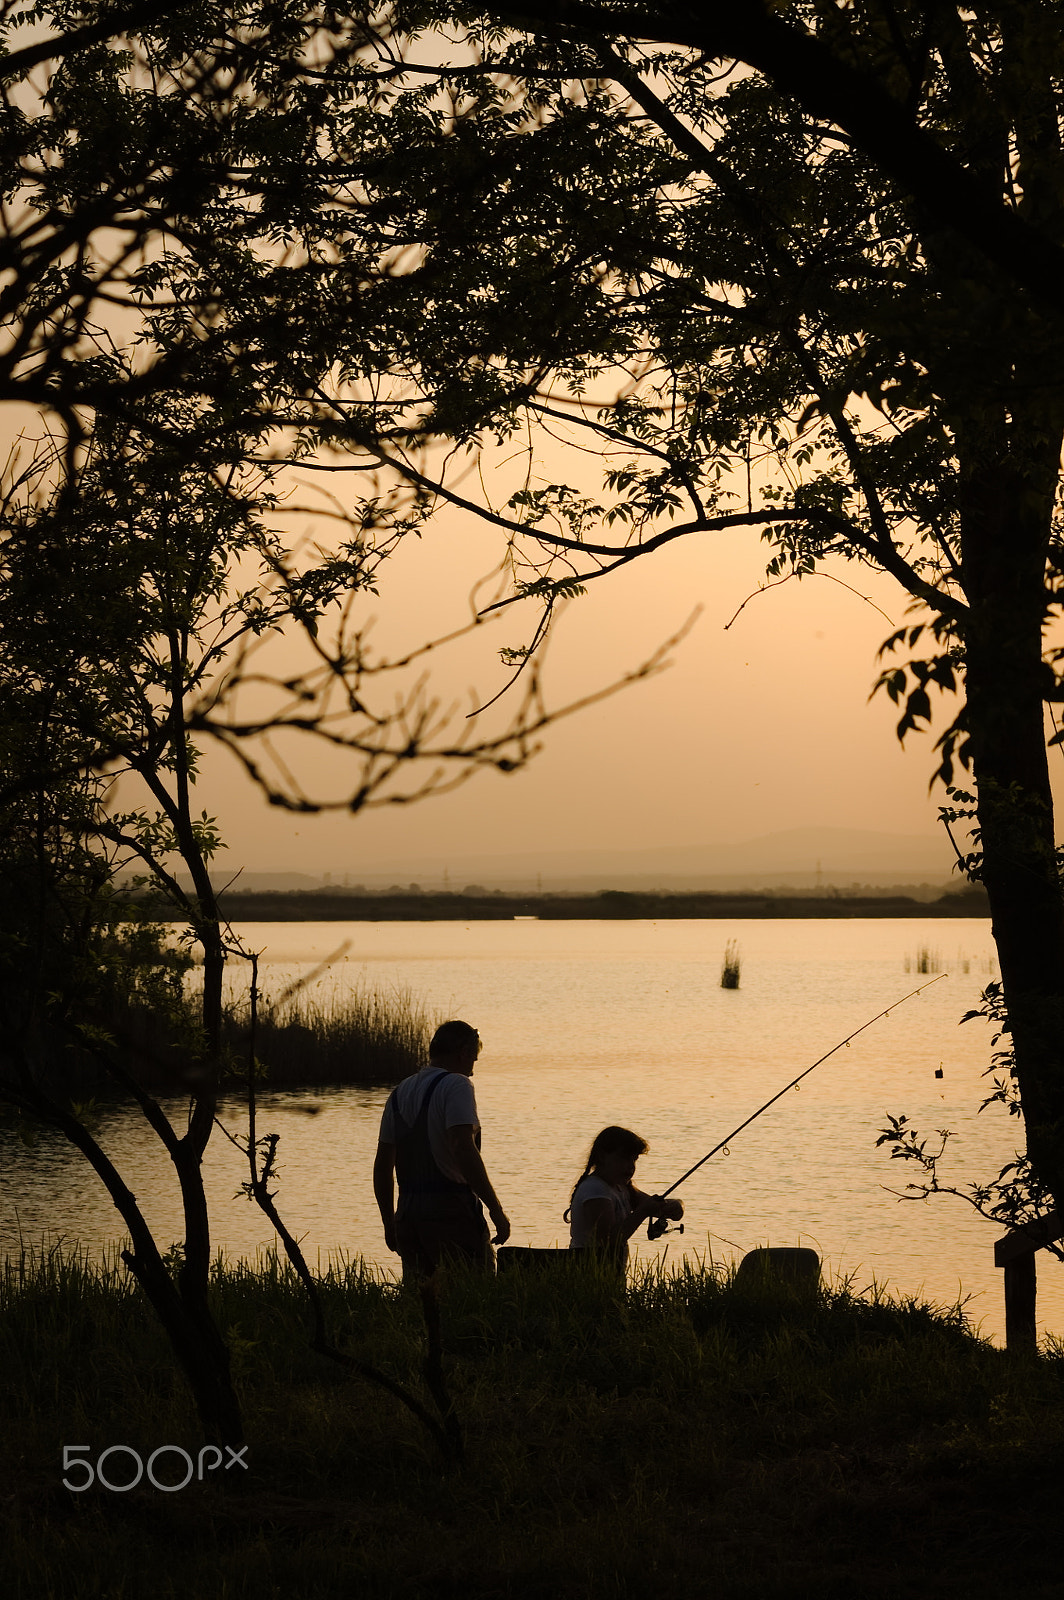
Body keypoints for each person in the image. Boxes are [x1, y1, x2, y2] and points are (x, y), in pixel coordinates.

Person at [373, 1019, 511, 1279]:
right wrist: (495, 1209)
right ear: (463, 1053)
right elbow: (462, 1147)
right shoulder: (457, 1085)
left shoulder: (399, 1092)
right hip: (451, 1211)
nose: (474, 1066)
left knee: (421, 1301)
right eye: (474, 1056)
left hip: (408, 1213)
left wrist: (389, 1222)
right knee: (473, 1295)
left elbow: (383, 1165)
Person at [566, 1126, 683, 1268]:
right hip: (587, 1272)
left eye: (634, 1160)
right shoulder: (595, 1190)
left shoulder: (622, 1188)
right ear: (603, 1156)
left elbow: (655, 1206)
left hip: (609, 1274)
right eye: (623, 1159)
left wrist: (676, 1205)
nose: (630, 1167)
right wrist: (643, 1212)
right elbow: (609, 1240)